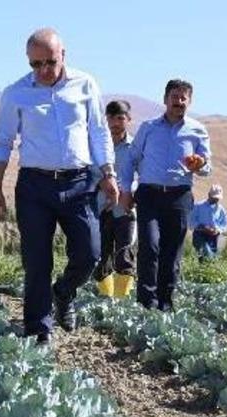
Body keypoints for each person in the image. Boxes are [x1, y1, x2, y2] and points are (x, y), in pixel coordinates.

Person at [0, 28, 118, 345]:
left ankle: (64, 291)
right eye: (36, 64)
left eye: (50, 62)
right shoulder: (16, 93)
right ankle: (39, 330)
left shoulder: (85, 84)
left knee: (90, 252)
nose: (44, 70)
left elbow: (99, 133)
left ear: (64, 55)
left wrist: (109, 174)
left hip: (79, 182)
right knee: (36, 260)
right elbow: (2, 142)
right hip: (34, 185)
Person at [119, 79, 211, 311]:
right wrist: (126, 190)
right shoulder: (148, 128)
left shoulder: (198, 130)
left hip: (179, 196)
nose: (179, 102)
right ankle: (145, 302)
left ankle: (165, 302)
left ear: (189, 101)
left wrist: (199, 165)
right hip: (149, 194)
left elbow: (207, 167)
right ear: (165, 99)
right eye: (174, 97)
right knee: (149, 245)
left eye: (183, 98)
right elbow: (131, 159)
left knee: (172, 251)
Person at [93, 100, 138, 298]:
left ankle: (121, 303)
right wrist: (100, 181)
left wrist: (129, 192)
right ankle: (106, 300)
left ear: (128, 119)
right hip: (99, 207)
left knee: (124, 256)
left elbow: (143, 173)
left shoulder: (136, 146)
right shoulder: (96, 146)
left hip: (125, 209)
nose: (115, 122)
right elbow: (85, 169)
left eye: (120, 118)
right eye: (111, 118)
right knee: (99, 257)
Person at [189, 184, 227, 262]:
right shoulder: (198, 206)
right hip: (199, 235)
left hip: (213, 237)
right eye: (214, 198)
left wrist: (218, 230)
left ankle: (203, 273)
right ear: (209, 195)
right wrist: (202, 227)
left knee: (210, 258)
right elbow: (191, 222)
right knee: (207, 255)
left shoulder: (220, 209)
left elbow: (224, 223)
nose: (216, 200)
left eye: (217, 198)